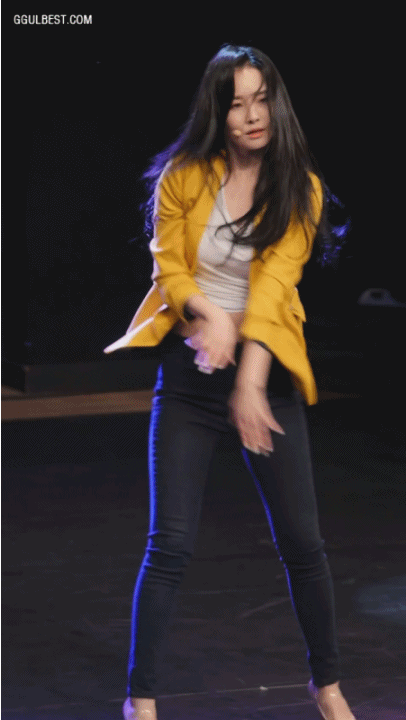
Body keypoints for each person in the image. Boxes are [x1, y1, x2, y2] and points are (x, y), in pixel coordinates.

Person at [103, 44, 354, 720]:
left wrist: (249, 382)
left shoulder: (300, 188)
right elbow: (169, 269)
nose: (252, 115)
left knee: (303, 544)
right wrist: (210, 315)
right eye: (237, 102)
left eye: (261, 98)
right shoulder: (183, 176)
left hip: (264, 376)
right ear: (218, 111)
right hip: (190, 377)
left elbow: (273, 292)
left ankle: (328, 687)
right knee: (170, 544)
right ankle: (140, 700)